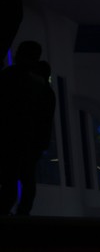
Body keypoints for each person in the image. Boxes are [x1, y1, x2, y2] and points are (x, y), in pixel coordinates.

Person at [0, 42, 55, 216]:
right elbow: (44, 117)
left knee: (10, 179)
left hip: (10, 138)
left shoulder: (9, 76)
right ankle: (21, 213)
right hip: (30, 141)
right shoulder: (42, 87)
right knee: (26, 179)